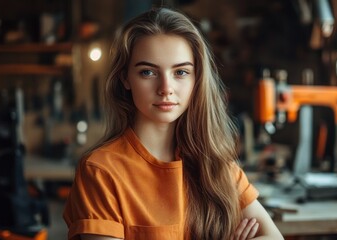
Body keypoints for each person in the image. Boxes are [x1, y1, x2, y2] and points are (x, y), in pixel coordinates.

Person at [63, 7, 284, 240]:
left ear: (196, 79)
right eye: (148, 72)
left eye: (180, 72)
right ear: (125, 78)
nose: (166, 88)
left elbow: (273, 237)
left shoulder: (217, 166)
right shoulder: (100, 171)